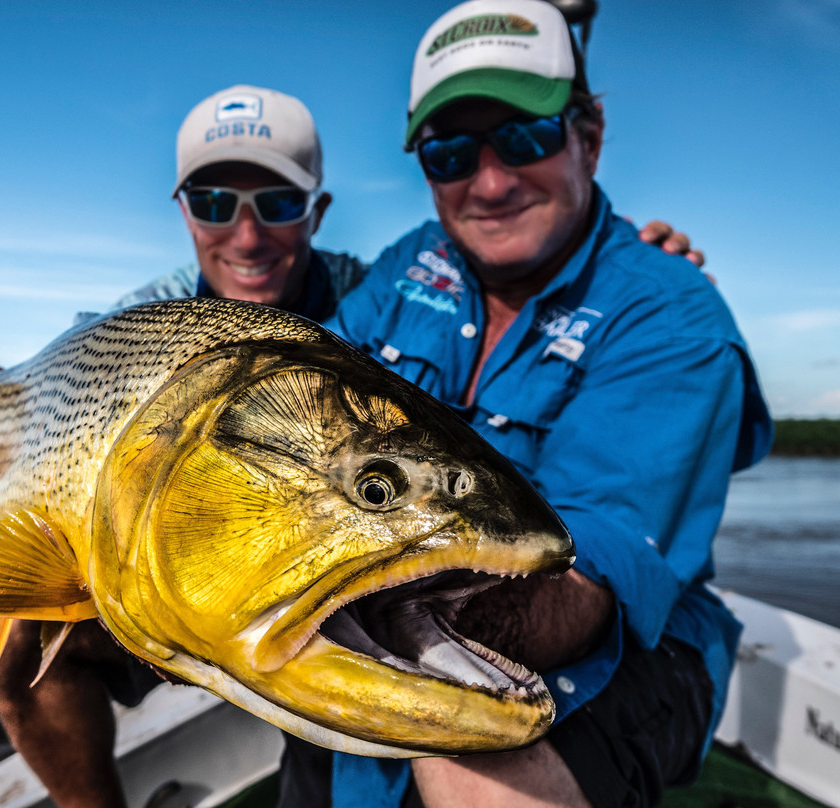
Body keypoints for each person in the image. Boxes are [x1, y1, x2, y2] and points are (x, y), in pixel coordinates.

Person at [0, 83, 712, 808]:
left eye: (276, 204)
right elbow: (45, 396)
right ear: (182, 209)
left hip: (349, 568)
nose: (246, 237)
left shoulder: (378, 287)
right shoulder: (150, 313)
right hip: (180, 513)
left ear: (316, 213)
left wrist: (625, 260)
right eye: (215, 203)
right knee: (23, 637)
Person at [308, 2, 772, 807]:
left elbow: (590, 571)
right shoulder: (408, 266)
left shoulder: (671, 312)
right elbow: (297, 408)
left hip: (620, 639)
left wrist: (361, 591)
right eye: (450, 152)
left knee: (473, 758)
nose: (489, 182)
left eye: (526, 137)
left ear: (588, 135)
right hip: (380, 608)